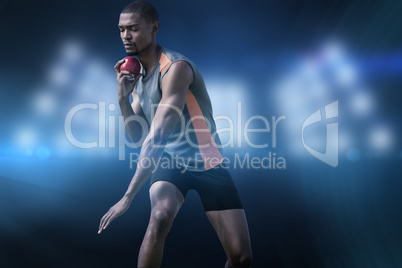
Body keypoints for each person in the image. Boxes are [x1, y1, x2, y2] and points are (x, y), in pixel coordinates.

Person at [98, 1, 252, 267]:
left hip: (208, 160)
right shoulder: (140, 76)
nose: (126, 36)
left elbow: (155, 138)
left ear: (154, 28)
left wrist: (127, 197)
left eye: (133, 29)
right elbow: (136, 138)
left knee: (241, 258)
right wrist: (124, 99)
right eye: (122, 30)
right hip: (170, 161)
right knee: (160, 215)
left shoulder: (175, 68)